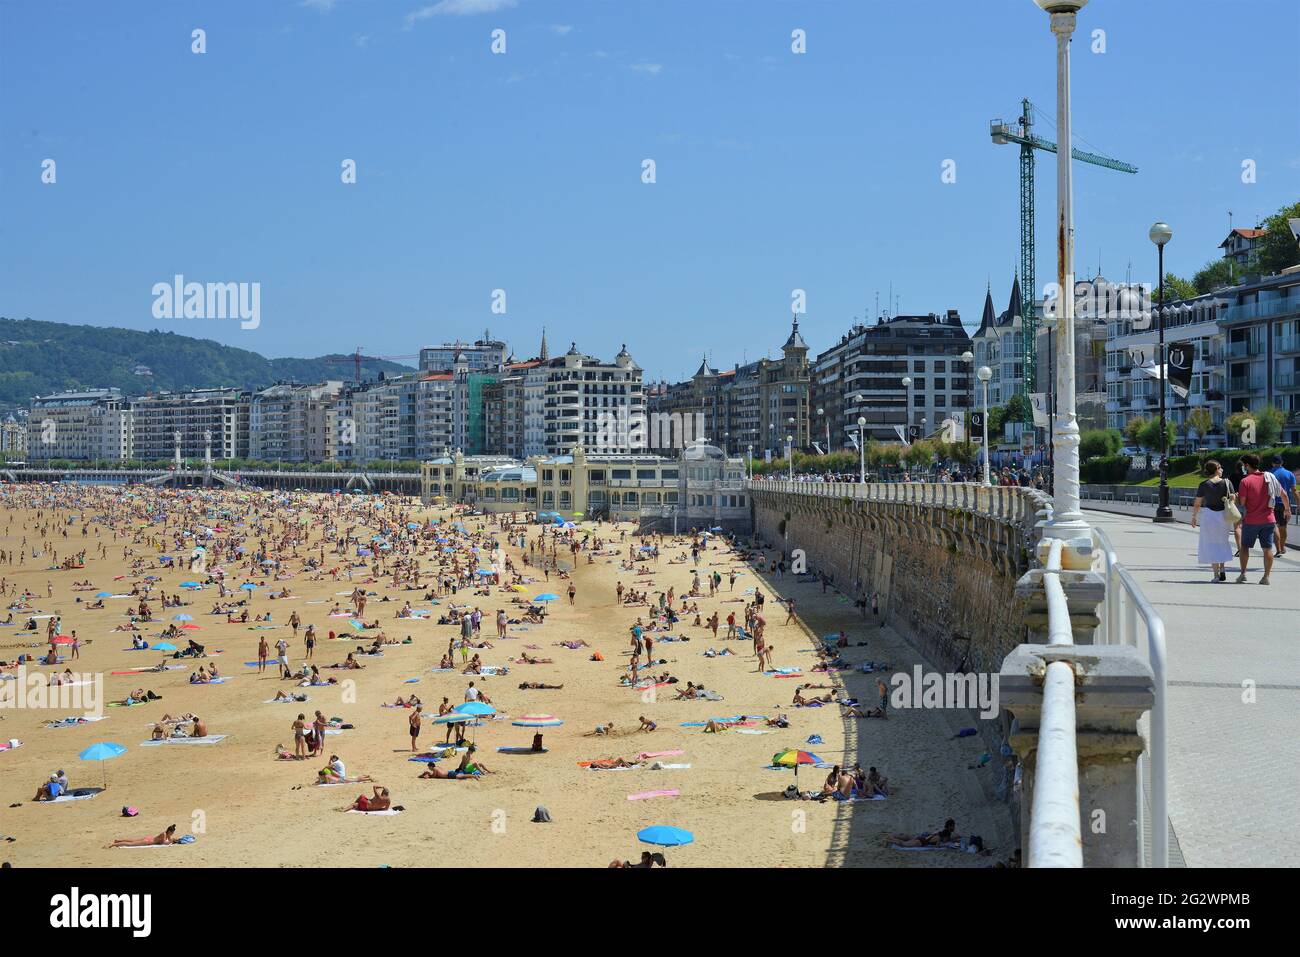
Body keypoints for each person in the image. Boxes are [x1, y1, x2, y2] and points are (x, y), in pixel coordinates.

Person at [1236, 453, 1286, 585]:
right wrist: (1287, 509)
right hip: (1269, 519)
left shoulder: (1245, 481)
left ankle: (1243, 574)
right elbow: (1284, 494)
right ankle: (1266, 577)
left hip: (1251, 520)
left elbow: (1242, 502)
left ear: (1247, 465)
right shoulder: (1269, 477)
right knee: (1267, 548)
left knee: (1245, 547)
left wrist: (1236, 497)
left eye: (1243, 465)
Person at [1191, 460, 1234, 582]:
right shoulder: (1227, 482)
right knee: (1222, 541)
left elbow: (1198, 503)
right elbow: (1233, 498)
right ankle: (1223, 569)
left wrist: (1194, 516)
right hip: (1223, 516)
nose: (1222, 470)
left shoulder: (1204, 484)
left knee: (1210, 543)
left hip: (1209, 516)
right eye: (1220, 467)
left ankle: (1215, 575)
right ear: (1216, 469)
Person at [1269, 454, 1298, 555]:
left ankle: (1278, 549)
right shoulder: (1289, 474)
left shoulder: (1268, 474)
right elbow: (1294, 491)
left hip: (1270, 503)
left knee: (1274, 526)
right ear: (1282, 462)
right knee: (1283, 526)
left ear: (1272, 463)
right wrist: (1298, 503)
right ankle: (1282, 547)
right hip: (1284, 503)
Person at [107, 824, 178, 849]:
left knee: (133, 840)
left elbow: (168, 840)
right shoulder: (164, 834)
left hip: (149, 838)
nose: (172, 834)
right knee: (131, 844)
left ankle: (118, 840)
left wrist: (173, 840)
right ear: (170, 831)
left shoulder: (166, 834)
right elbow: (163, 843)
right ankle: (113, 844)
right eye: (172, 832)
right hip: (148, 841)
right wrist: (172, 841)